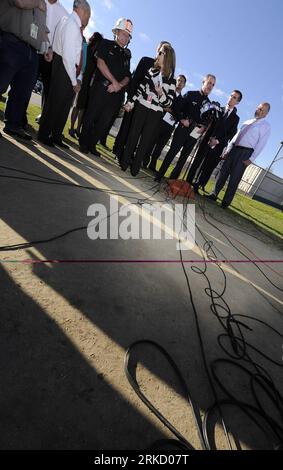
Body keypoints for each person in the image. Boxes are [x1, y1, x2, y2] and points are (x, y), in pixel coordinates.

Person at [38, 0, 91, 148]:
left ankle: (55, 135)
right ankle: (44, 133)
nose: (88, 19)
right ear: (83, 11)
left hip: (64, 65)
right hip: (65, 66)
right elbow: (68, 55)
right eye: (89, 15)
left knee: (64, 104)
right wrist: (75, 81)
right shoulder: (72, 24)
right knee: (56, 102)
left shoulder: (66, 20)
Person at [120, 43, 176, 177]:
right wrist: (131, 102)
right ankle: (124, 161)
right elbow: (141, 89)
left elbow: (168, 103)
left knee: (145, 140)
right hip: (141, 106)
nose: (158, 54)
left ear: (167, 57)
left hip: (155, 113)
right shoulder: (151, 71)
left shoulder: (172, 81)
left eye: (161, 53)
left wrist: (160, 93)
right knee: (133, 134)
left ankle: (136, 166)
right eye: (159, 52)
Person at [79, 18, 133, 156]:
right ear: (116, 32)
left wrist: (119, 85)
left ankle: (92, 145)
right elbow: (100, 63)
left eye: (128, 35)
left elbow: (128, 75)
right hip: (101, 88)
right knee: (91, 115)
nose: (125, 37)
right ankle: (83, 143)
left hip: (116, 94)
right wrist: (114, 82)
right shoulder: (105, 44)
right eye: (123, 33)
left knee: (105, 121)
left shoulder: (127, 55)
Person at [206, 102, 271, 208]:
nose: (260, 111)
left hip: (245, 153)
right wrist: (228, 149)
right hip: (234, 149)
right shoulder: (247, 122)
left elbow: (261, 144)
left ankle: (226, 202)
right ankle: (214, 193)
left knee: (235, 178)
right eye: (259, 108)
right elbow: (236, 136)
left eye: (263, 110)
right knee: (223, 173)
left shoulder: (265, 126)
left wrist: (252, 158)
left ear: (266, 114)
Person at [0, 0, 49, 140]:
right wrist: (37, 3)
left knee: (22, 92)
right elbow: (20, 2)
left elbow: (43, 27)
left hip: (32, 50)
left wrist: (48, 45)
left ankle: (13, 125)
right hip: (11, 41)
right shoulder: (39, 2)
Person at [154, 74, 216, 182]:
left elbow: (207, 121)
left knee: (183, 159)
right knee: (172, 152)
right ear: (203, 82)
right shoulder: (191, 94)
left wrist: (204, 128)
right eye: (209, 83)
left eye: (213, 85)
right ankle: (159, 176)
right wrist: (182, 119)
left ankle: (171, 181)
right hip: (183, 128)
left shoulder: (209, 105)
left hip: (195, 133)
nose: (210, 86)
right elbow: (177, 108)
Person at [189, 90, 242, 193]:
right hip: (206, 140)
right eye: (231, 96)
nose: (231, 98)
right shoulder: (217, 109)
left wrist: (217, 141)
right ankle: (189, 180)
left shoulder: (236, 119)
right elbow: (207, 120)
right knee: (198, 161)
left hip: (218, 145)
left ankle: (199, 185)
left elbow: (231, 134)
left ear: (237, 102)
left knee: (208, 167)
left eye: (234, 97)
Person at [35, 0, 68, 123]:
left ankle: (44, 118)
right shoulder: (37, 2)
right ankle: (18, 117)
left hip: (51, 57)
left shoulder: (64, 13)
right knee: (24, 83)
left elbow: (62, 37)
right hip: (33, 48)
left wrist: (52, 50)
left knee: (49, 91)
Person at [146, 74, 187, 172]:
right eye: (178, 80)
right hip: (160, 120)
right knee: (151, 141)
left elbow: (181, 114)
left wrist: (173, 112)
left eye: (182, 81)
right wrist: (166, 108)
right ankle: (144, 160)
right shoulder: (168, 93)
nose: (179, 83)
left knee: (160, 146)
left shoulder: (184, 100)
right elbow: (161, 102)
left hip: (170, 126)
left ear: (184, 85)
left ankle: (153, 163)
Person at [69, 31, 103, 138]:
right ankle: (71, 127)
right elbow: (80, 65)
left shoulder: (96, 56)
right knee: (77, 106)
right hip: (81, 80)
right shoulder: (85, 49)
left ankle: (78, 128)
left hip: (89, 84)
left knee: (83, 108)